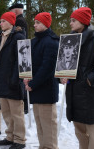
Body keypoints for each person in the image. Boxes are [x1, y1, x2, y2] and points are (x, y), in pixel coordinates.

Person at [61, 7, 94, 149]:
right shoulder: (70, 40)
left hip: (90, 94)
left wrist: (89, 79)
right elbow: (64, 63)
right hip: (74, 93)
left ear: (83, 21)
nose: (70, 24)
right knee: (80, 133)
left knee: (93, 134)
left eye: (73, 20)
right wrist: (62, 75)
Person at [23, 12, 59, 149]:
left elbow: (47, 67)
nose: (34, 25)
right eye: (35, 22)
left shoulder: (51, 42)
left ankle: (49, 147)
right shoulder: (34, 41)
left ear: (45, 24)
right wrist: (26, 77)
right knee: (40, 123)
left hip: (46, 90)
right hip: (36, 89)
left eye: (38, 23)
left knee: (48, 125)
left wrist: (32, 83)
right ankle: (42, 146)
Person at [0, 12, 26, 149]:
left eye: (3, 21)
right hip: (2, 79)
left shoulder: (18, 37)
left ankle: (20, 139)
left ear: (11, 22)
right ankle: (10, 136)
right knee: (6, 112)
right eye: (0, 21)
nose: (0, 23)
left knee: (16, 113)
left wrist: (15, 79)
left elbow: (21, 61)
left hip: (13, 80)